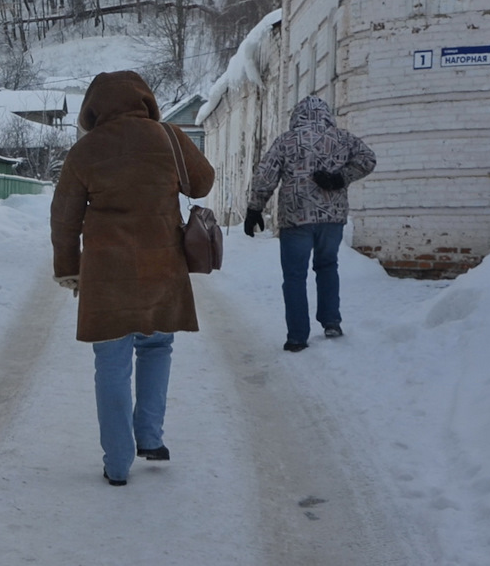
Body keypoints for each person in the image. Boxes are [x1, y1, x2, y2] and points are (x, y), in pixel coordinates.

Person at [51, 70, 215, 487]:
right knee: (157, 346)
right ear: (145, 100)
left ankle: (119, 462)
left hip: (107, 273)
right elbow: (203, 183)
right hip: (163, 266)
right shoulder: (170, 137)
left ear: (93, 108)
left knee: (111, 362)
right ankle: (150, 437)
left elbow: (64, 219)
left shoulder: (85, 152)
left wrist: (69, 268)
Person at [243, 95, 377, 352]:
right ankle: (331, 322)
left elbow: (265, 175)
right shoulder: (343, 138)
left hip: (296, 219)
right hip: (332, 219)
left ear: (298, 115)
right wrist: (340, 178)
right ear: (326, 114)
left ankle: (296, 337)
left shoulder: (286, 141)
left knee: (294, 276)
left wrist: (254, 208)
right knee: (327, 266)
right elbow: (368, 160)